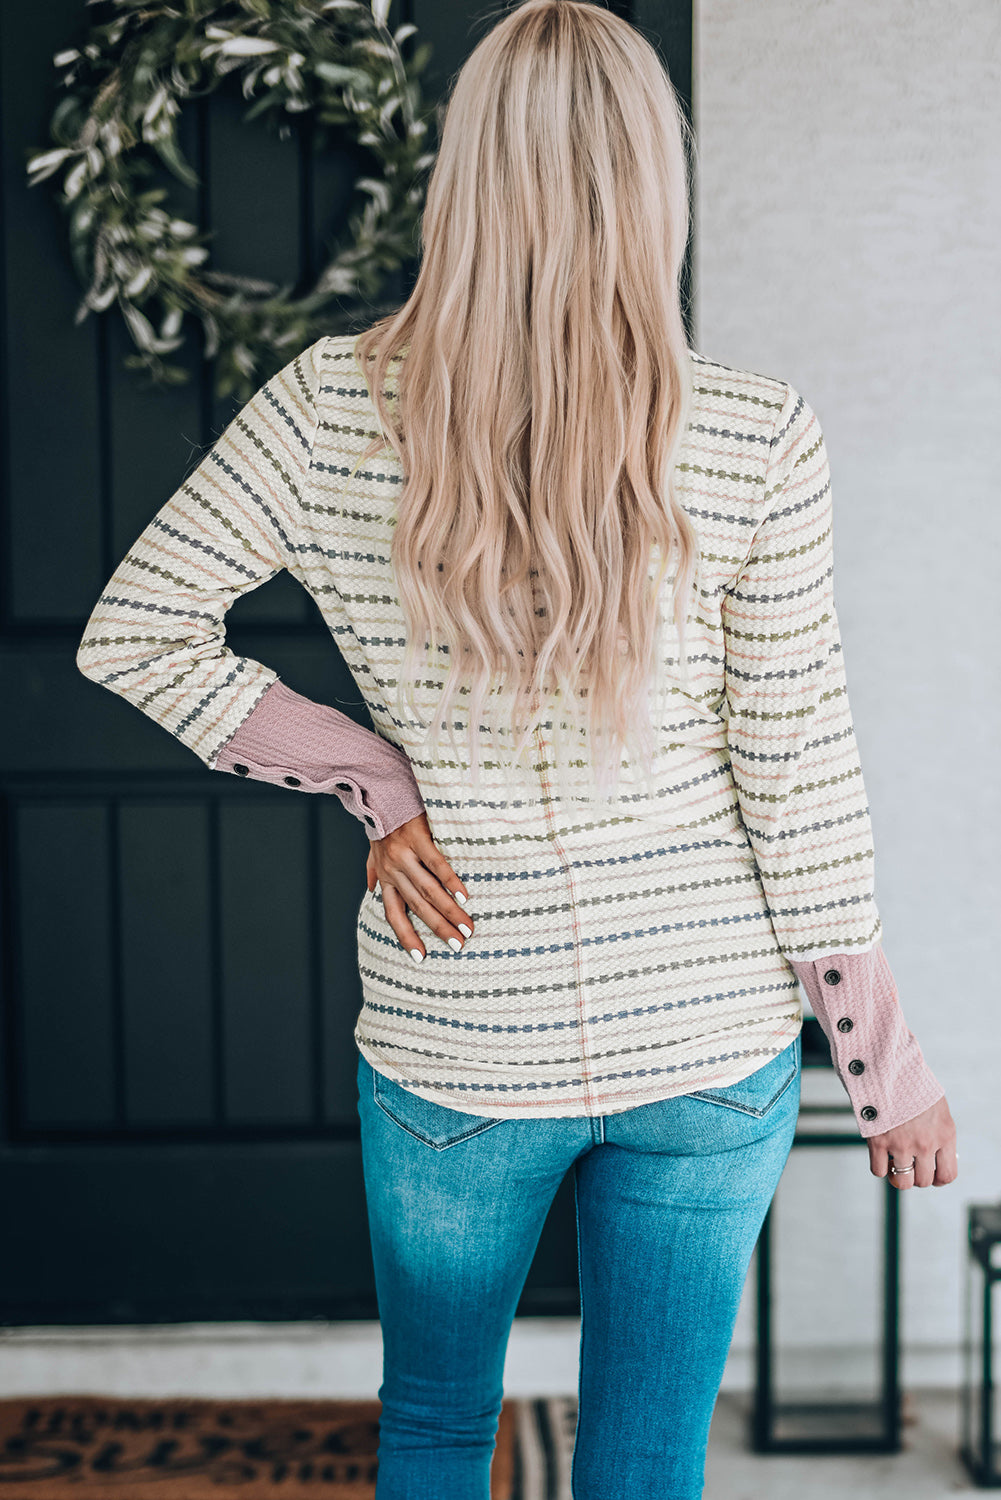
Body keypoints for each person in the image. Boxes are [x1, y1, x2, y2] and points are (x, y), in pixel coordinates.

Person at [75, 1, 958, 1495]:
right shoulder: (750, 433)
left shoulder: (325, 409)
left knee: (430, 1423)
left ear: (459, 174)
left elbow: (133, 633)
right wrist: (886, 1068)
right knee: (646, 1452)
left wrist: (377, 777)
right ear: (652, 181)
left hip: (455, 1026)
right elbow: (795, 766)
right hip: (706, 1040)